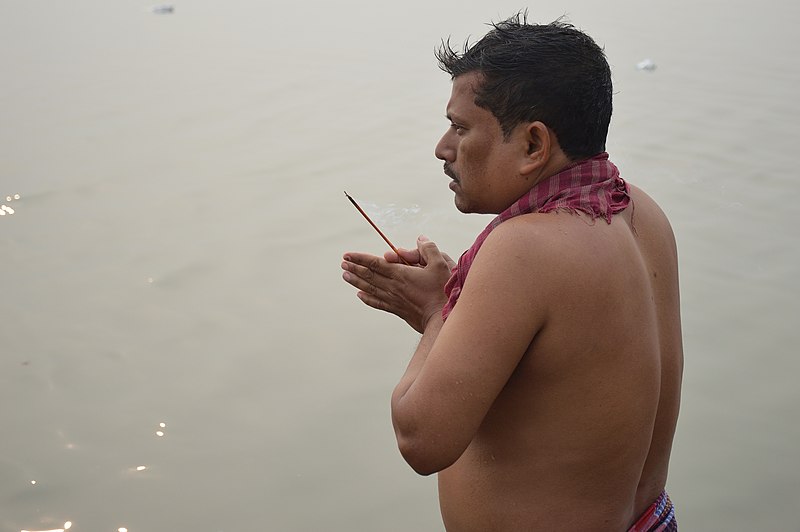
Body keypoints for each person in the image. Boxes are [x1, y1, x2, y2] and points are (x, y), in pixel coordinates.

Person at [341, 13, 682, 531]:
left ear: (532, 145)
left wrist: (438, 312)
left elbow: (421, 438)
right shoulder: (640, 213)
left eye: (460, 127)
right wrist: (460, 301)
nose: (443, 148)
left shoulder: (526, 248)